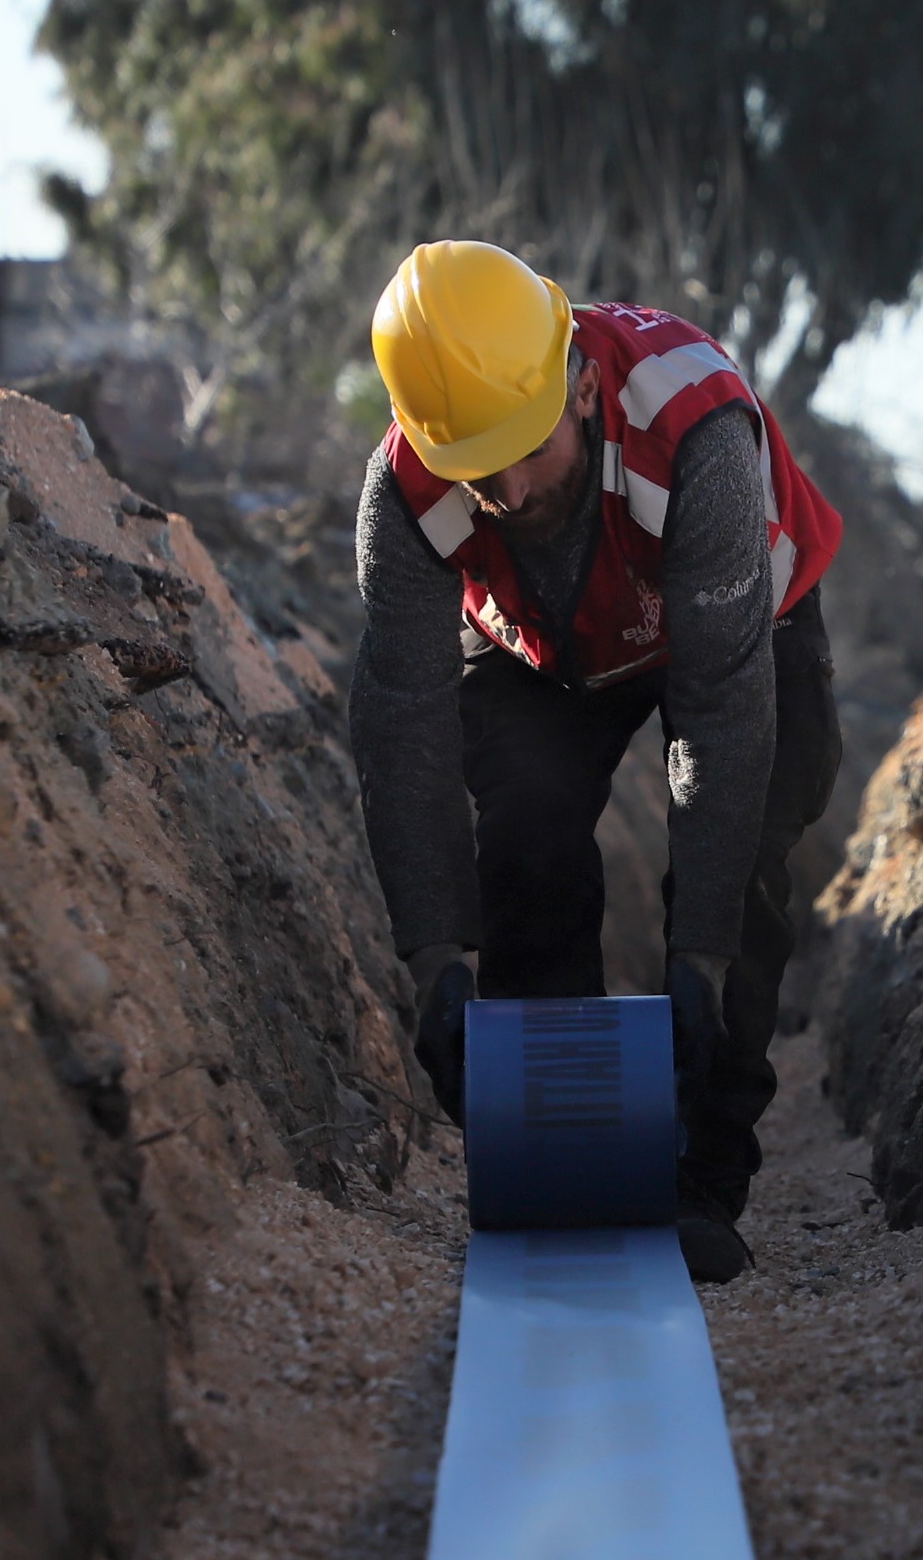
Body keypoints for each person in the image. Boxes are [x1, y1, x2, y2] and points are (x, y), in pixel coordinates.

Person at [348, 239, 845, 1286]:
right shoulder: (404, 488)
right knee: (525, 828)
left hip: (740, 631)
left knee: (745, 849)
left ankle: (704, 1172)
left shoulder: (693, 425)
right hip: (545, 643)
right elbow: (405, 719)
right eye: (477, 467)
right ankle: (547, 1154)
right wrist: (434, 953)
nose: (511, 488)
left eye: (529, 448)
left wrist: (696, 958)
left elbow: (718, 711)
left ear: (580, 385)